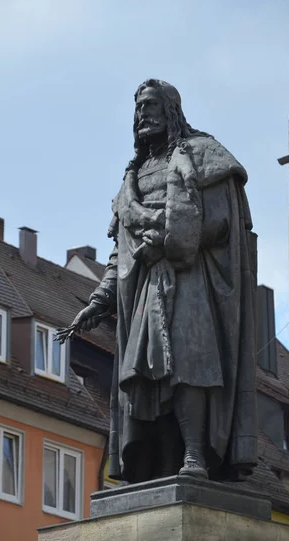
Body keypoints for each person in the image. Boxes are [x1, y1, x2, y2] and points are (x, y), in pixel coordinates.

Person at [66, 79, 257, 484]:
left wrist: (170, 242)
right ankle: (165, 462)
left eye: (150, 106)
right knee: (151, 376)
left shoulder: (203, 155)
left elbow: (223, 224)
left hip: (191, 279)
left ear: (171, 109)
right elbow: (120, 251)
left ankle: (194, 457)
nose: (141, 115)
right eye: (137, 108)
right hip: (146, 291)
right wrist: (99, 300)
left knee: (190, 364)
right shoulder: (131, 179)